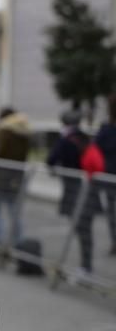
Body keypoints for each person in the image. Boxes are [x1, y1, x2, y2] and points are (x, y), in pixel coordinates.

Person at [47, 110, 101, 276]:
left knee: (79, 228)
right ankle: (86, 264)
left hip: (73, 189)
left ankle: (85, 266)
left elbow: (51, 160)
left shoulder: (64, 141)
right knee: (86, 229)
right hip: (90, 188)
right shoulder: (86, 138)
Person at [0, 107, 31, 249]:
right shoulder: (25, 133)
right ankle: (19, 243)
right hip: (16, 176)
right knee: (14, 211)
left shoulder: (3, 131)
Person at [91, 94, 116, 255]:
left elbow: (95, 149)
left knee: (112, 211)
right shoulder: (106, 129)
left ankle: (115, 241)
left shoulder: (106, 130)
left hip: (109, 175)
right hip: (109, 176)